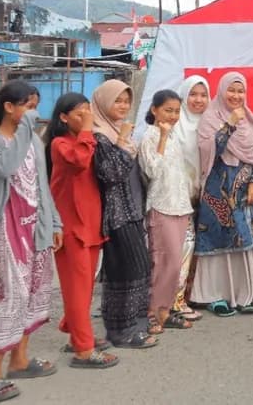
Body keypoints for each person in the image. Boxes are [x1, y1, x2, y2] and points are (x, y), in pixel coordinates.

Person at [0, 81, 63, 402]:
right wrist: (26, 129)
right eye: (28, 105)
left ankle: (20, 361)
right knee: (12, 298)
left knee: (34, 294)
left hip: (35, 228)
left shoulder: (34, 143)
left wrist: (54, 221)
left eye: (36, 106)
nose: (34, 113)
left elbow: (43, 186)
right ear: (9, 107)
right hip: (8, 229)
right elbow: (4, 167)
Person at [45, 93, 118, 370]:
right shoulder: (60, 144)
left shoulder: (86, 141)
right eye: (80, 114)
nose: (86, 119)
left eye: (89, 113)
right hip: (71, 226)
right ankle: (84, 351)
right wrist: (88, 128)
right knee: (77, 289)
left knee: (85, 288)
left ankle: (76, 330)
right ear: (63, 118)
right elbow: (78, 162)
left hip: (90, 222)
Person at [193, 72, 253, 316]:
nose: (236, 96)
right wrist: (229, 125)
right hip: (218, 191)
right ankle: (214, 295)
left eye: (240, 91)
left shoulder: (252, 120)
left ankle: (244, 295)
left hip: (245, 190)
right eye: (231, 90)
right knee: (218, 240)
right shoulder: (210, 118)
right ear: (222, 90)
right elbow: (210, 152)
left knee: (244, 240)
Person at [91, 79, 154, 349]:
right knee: (126, 271)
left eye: (127, 101)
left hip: (133, 210)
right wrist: (122, 141)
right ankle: (120, 331)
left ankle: (136, 324)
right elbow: (110, 174)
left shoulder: (116, 131)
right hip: (117, 214)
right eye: (117, 100)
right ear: (105, 102)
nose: (123, 106)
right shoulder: (99, 135)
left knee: (138, 268)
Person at [138, 90, 195, 332]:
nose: (172, 115)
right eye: (167, 110)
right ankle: (152, 312)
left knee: (176, 264)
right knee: (163, 262)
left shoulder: (173, 137)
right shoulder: (150, 136)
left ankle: (165, 310)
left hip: (180, 206)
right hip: (161, 207)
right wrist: (161, 137)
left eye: (175, 111)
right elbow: (153, 171)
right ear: (154, 110)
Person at [170, 76, 210, 322]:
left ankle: (192, 292)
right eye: (193, 94)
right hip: (178, 197)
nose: (198, 100)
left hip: (204, 196)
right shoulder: (176, 125)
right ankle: (175, 300)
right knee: (183, 247)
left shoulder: (210, 123)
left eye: (203, 95)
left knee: (199, 248)